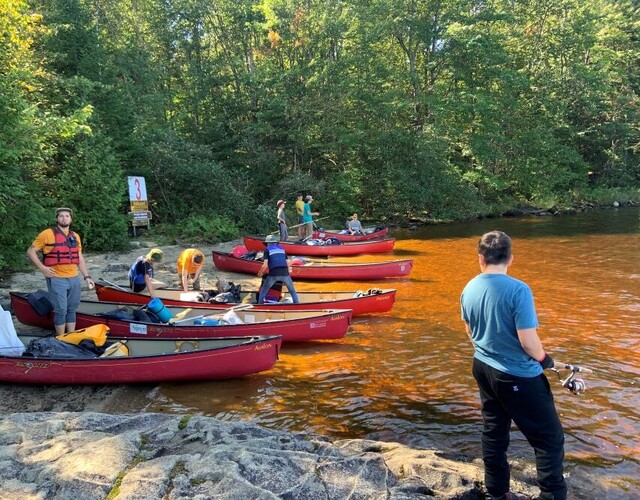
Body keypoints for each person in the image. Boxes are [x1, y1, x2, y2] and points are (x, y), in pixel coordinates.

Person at [460, 231, 566, 500]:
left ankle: (497, 491)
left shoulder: (469, 287)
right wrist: (546, 360)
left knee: (494, 431)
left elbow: (470, 331)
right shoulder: (519, 289)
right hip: (517, 376)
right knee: (548, 440)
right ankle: (551, 495)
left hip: (483, 366)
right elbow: (529, 342)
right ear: (511, 258)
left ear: (480, 258)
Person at [26, 207, 95, 335]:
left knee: (72, 308)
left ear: (71, 219)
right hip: (56, 277)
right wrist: (42, 268)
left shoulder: (75, 236)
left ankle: (71, 336)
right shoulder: (47, 234)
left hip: (74, 277)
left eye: (67, 216)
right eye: (61, 216)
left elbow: (79, 258)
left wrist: (87, 276)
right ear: (57, 218)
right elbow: (31, 251)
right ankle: (61, 338)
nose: (64, 218)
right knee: (61, 310)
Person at [257, 235, 300, 304]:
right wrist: (288, 274)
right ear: (276, 243)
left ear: (267, 243)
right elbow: (288, 263)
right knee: (292, 291)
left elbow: (265, 265)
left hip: (273, 274)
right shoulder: (282, 249)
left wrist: (259, 273)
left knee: (264, 291)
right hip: (285, 273)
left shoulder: (267, 250)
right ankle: (297, 306)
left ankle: (259, 306)